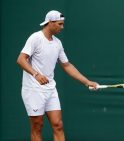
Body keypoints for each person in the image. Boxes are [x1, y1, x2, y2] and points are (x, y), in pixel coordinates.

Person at [17, 10, 98, 141]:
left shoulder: (57, 43)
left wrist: (86, 81)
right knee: (37, 126)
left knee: (58, 125)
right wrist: (36, 74)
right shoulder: (35, 38)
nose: (62, 27)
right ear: (50, 23)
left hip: (50, 89)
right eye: (60, 24)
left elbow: (67, 65)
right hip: (33, 90)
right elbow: (21, 59)